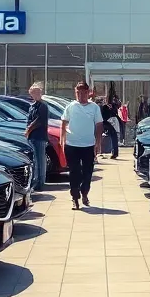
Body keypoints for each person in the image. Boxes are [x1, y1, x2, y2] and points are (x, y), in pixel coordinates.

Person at [61, 81, 103, 209]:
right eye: (78, 93)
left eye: (83, 93)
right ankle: (75, 198)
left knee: (87, 173)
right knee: (74, 172)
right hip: (72, 145)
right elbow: (64, 122)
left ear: (88, 93)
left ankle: (84, 193)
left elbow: (99, 125)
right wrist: (62, 141)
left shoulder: (94, 107)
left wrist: (98, 142)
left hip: (88, 145)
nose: (80, 95)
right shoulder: (71, 106)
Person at [25, 82, 49, 191]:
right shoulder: (32, 106)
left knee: (40, 160)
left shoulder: (43, 106)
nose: (37, 95)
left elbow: (40, 121)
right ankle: (35, 181)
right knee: (35, 160)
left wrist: (29, 128)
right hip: (32, 136)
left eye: (38, 92)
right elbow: (29, 119)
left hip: (39, 136)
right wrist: (28, 130)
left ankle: (40, 182)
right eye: (34, 93)